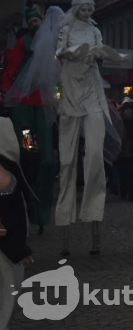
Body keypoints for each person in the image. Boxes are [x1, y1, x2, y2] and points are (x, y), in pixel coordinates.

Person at [55, 0, 126, 256]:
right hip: (72, 87)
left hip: (92, 88)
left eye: (89, 8)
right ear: (76, 10)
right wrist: (74, 52)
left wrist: (104, 54)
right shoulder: (67, 28)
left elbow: (103, 49)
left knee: (95, 156)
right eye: (83, 9)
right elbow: (59, 50)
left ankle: (93, 213)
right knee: (66, 161)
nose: (87, 12)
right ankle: (64, 221)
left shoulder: (94, 30)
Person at [1, 5, 58, 231]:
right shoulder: (22, 44)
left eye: (38, 20)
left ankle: (41, 209)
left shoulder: (49, 44)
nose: (36, 24)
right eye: (32, 21)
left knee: (45, 158)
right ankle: (28, 202)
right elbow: (11, 70)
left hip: (42, 104)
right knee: (29, 149)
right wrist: (7, 92)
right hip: (24, 104)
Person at [0, 117, 34, 328]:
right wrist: (16, 246)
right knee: (7, 289)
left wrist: (27, 133)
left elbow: (32, 155)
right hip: (6, 245)